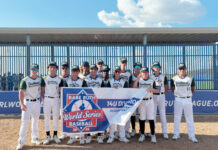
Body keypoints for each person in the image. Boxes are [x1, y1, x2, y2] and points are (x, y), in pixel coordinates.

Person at [16, 64, 45, 150]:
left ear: (38, 70)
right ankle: (21, 141)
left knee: (35, 120)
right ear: (30, 70)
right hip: (27, 102)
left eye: (36, 69)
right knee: (24, 122)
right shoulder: (25, 80)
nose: (34, 71)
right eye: (33, 69)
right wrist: (21, 104)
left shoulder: (40, 79)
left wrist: (43, 98)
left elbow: (43, 89)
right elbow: (21, 92)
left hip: (36, 102)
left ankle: (35, 137)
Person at [171, 63, 198, 143]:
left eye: (183, 69)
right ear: (177, 70)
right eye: (180, 69)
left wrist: (187, 95)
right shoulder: (174, 78)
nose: (182, 70)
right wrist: (178, 95)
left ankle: (192, 136)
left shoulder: (190, 78)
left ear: (185, 69)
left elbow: (193, 89)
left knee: (189, 118)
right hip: (178, 99)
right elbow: (172, 89)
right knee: (177, 117)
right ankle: (176, 134)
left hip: (187, 100)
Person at [133, 67, 158, 143]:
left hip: (150, 100)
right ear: (141, 73)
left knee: (151, 118)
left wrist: (151, 89)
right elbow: (134, 88)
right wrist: (137, 80)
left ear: (148, 73)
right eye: (143, 72)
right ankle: (142, 134)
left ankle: (153, 135)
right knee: (142, 118)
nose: (144, 74)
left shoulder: (151, 81)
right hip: (142, 101)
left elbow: (157, 90)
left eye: (146, 72)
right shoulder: (139, 81)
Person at [107, 66, 130, 144]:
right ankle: (111, 136)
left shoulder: (124, 81)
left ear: (120, 73)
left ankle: (122, 136)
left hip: (121, 103)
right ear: (114, 72)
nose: (117, 73)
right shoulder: (110, 81)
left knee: (121, 120)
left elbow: (127, 92)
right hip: (112, 103)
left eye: (118, 72)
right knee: (112, 121)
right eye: (116, 71)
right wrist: (111, 89)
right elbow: (105, 92)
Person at [43, 61, 64, 145]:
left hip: (56, 99)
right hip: (47, 99)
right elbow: (42, 90)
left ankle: (55, 135)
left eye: (54, 67)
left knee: (56, 117)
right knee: (46, 117)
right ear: (48, 69)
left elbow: (60, 90)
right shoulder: (44, 78)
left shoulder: (59, 79)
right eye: (50, 67)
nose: (52, 69)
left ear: (56, 69)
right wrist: (43, 99)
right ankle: (47, 135)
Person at [66, 65, 87, 145]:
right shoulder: (67, 81)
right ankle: (72, 137)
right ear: (71, 72)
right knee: (71, 120)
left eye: (76, 71)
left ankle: (81, 137)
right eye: (73, 71)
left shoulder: (82, 81)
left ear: (78, 72)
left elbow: (86, 92)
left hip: (79, 104)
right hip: (70, 103)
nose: (75, 72)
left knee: (80, 120)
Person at [85, 64, 104, 144]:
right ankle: (89, 136)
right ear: (89, 70)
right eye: (91, 69)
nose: (93, 71)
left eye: (94, 69)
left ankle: (99, 136)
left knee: (98, 119)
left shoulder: (100, 80)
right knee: (88, 119)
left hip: (97, 101)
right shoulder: (86, 80)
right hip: (89, 102)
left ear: (97, 70)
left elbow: (104, 90)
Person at [151, 61, 169, 139]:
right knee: (153, 114)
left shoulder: (163, 76)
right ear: (152, 68)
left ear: (160, 68)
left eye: (158, 67)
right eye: (155, 67)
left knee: (163, 114)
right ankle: (153, 131)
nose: (156, 68)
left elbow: (166, 87)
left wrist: (163, 94)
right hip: (153, 96)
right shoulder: (151, 77)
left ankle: (164, 132)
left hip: (161, 96)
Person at [119, 57, 132, 138]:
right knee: (119, 114)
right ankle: (119, 132)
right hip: (119, 96)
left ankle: (127, 130)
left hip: (127, 95)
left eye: (124, 63)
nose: (123, 64)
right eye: (122, 62)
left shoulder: (129, 72)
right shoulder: (117, 71)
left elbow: (130, 83)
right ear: (120, 63)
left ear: (126, 64)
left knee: (128, 113)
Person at [129, 62, 142, 137]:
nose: (137, 68)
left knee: (141, 114)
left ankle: (141, 130)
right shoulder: (131, 76)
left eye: (139, 67)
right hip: (133, 97)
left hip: (141, 97)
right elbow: (130, 86)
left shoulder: (143, 75)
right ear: (134, 68)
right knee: (133, 114)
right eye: (136, 67)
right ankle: (133, 129)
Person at [59, 61, 70, 141]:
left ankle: (74, 133)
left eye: (66, 68)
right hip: (61, 100)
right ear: (60, 69)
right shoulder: (58, 78)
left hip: (70, 100)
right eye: (63, 68)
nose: (65, 70)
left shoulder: (71, 78)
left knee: (72, 116)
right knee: (62, 117)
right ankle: (63, 133)